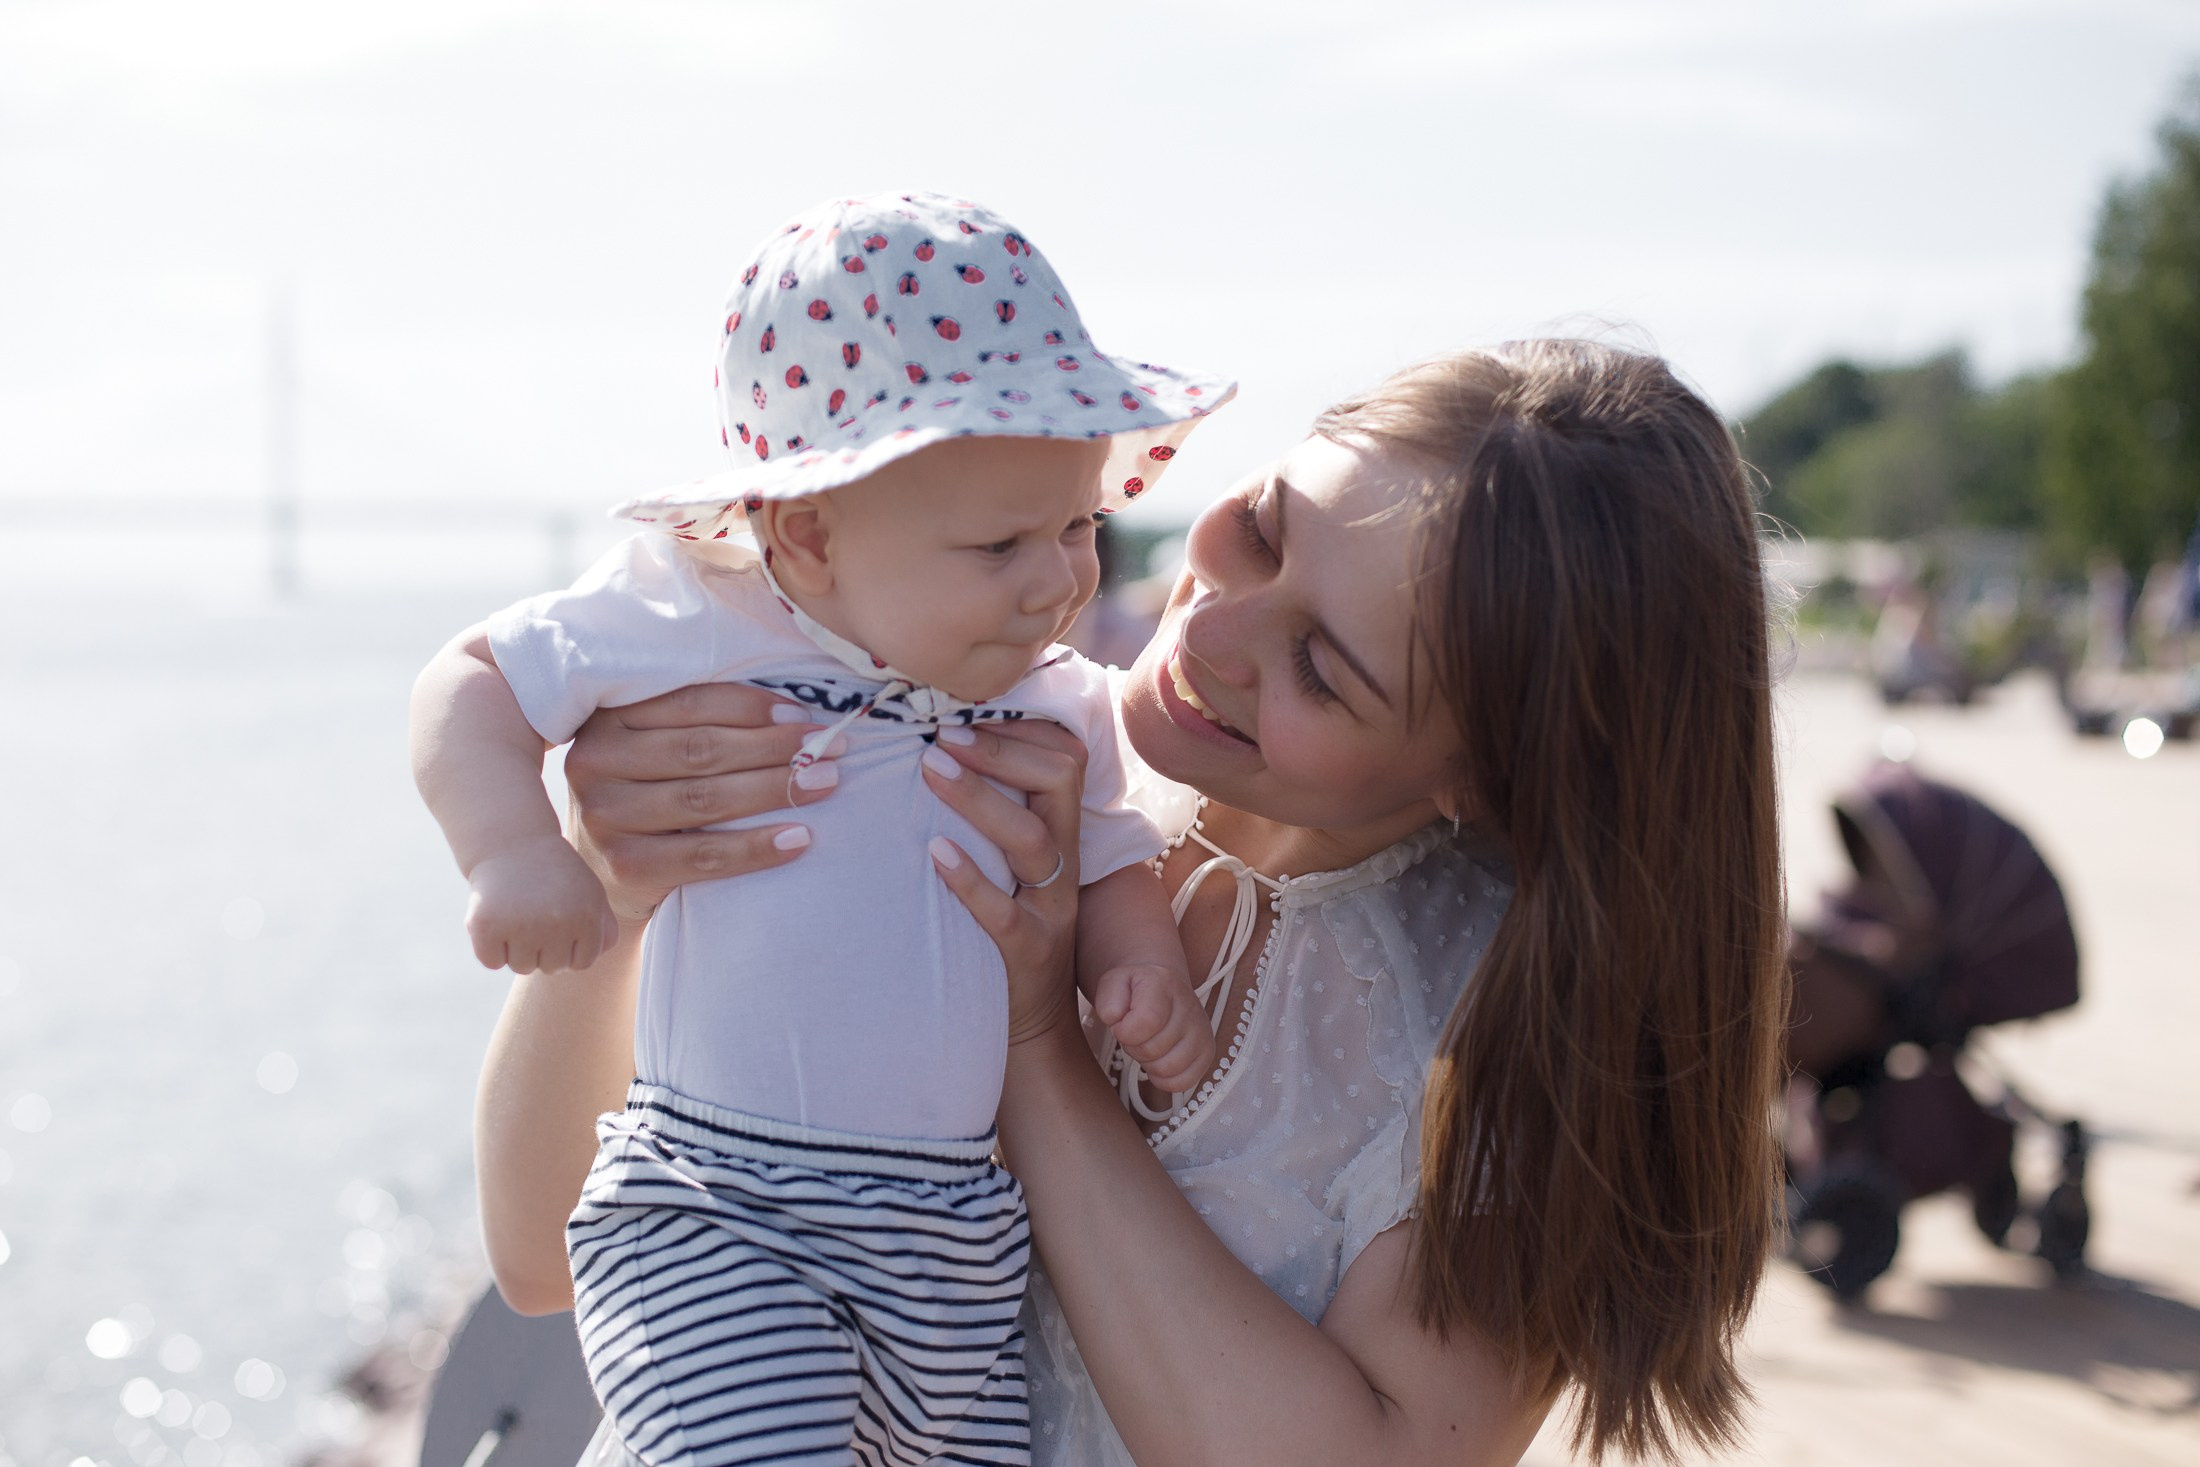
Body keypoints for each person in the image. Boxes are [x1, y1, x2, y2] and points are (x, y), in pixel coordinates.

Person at [474, 340, 1789, 1467]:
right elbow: (543, 1255)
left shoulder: (1512, 1017)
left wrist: (1048, 1051)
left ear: (1484, 778)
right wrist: (614, 880)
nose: (1210, 627)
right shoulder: (948, 730)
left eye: (1321, 672)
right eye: (1260, 527)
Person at [413, 191, 1228, 1467]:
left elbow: (1116, 848)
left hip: (950, 1228)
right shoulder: (698, 621)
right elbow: (471, 679)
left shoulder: (1049, 693)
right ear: (806, 533)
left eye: (1076, 525)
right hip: (723, 1199)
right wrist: (518, 850)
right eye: (1001, 541)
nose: (1061, 577)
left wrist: (1139, 960)